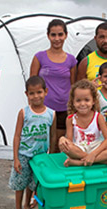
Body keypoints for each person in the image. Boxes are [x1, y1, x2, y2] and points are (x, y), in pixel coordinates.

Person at [9, 76, 57, 209]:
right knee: (20, 183)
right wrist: (16, 158)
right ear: (26, 94)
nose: (36, 96)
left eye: (39, 92)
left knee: (32, 184)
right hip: (24, 155)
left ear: (46, 92)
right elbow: (17, 135)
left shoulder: (51, 113)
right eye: (32, 93)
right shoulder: (24, 113)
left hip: (40, 157)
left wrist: (51, 157)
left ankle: (27, 206)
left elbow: (53, 136)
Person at [30, 19, 77, 152]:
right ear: (48, 35)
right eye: (53, 35)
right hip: (44, 109)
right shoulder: (39, 57)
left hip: (64, 109)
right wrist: (32, 109)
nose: (57, 39)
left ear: (66, 35)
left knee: (59, 146)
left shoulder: (71, 60)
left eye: (60, 34)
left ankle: (55, 173)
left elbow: (74, 86)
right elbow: (32, 86)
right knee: (40, 144)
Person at [58, 79, 107, 167]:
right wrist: (62, 139)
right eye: (78, 100)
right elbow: (70, 142)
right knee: (66, 147)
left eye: (87, 100)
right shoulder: (70, 119)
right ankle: (100, 160)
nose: (83, 104)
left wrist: (93, 154)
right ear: (73, 102)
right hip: (79, 149)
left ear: (93, 101)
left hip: (96, 148)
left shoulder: (98, 117)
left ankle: (80, 162)